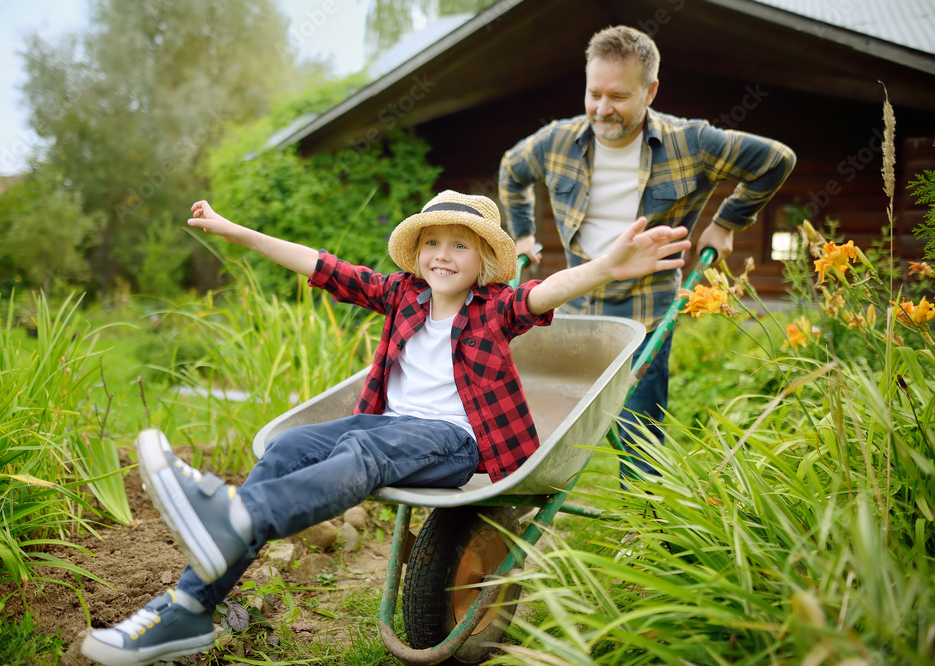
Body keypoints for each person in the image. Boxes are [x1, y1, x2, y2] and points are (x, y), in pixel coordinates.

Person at [80, 189, 689, 665]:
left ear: (483, 263)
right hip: (386, 430)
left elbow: (547, 291)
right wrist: (235, 230)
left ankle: (239, 517)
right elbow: (322, 265)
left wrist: (607, 266)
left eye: (459, 245)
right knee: (290, 447)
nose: (442, 255)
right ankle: (189, 606)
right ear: (416, 253)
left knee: (366, 448)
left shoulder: (496, 310)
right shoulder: (402, 295)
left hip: (457, 444)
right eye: (433, 243)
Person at [498, 25, 796, 476]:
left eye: (617, 96)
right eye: (593, 93)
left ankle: (641, 529)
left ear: (650, 90)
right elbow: (511, 171)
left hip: (647, 309)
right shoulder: (557, 141)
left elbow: (776, 160)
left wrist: (727, 223)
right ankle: (524, 493)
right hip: (576, 303)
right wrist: (521, 234)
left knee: (639, 425)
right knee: (551, 414)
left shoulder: (691, 143)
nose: (601, 109)